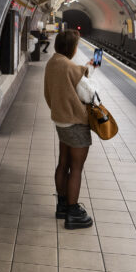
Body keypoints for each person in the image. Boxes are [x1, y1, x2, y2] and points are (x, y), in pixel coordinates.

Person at [43, 30, 96, 229]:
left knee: (62, 163)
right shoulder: (70, 67)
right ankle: (73, 212)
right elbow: (89, 95)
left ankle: (62, 206)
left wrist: (87, 69)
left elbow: (67, 83)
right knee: (76, 169)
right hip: (75, 124)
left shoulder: (53, 62)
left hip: (60, 121)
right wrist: (90, 72)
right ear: (72, 48)